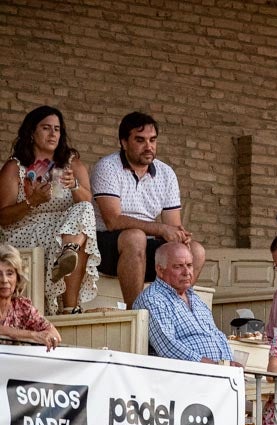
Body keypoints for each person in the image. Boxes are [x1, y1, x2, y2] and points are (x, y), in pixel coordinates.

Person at [93, 111, 206, 307]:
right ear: (124, 142)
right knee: (135, 237)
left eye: (152, 140)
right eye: (140, 140)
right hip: (106, 245)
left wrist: (179, 236)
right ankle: (136, 314)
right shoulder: (107, 167)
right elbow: (113, 220)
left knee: (196, 251)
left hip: (147, 245)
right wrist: (161, 229)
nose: (149, 146)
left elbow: (173, 225)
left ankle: (174, 308)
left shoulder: (166, 173)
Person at [0, 106, 100, 314]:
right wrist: (32, 201)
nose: (53, 133)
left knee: (84, 210)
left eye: (57, 129)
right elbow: (3, 217)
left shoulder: (71, 163)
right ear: (31, 133)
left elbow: (87, 201)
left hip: (63, 232)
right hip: (24, 231)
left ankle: (68, 254)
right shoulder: (15, 167)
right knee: (71, 238)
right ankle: (71, 306)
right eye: (46, 128)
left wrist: (74, 186)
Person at [133, 242, 232, 363]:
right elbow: (167, 346)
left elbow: (217, 334)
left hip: (215, 372)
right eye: (178, 266)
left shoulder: (195, 298)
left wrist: (229, 362)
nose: (187, 272)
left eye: (189, 265)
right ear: (160, 270)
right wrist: (210, 365)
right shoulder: (153, 298)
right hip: (185, 374)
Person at [0, 244, 61, 349]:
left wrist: (48, 337)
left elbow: (55, 334)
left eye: (10, 273)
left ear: (18, 278)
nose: (4, 280)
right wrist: (32, 335)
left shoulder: (22, 307)